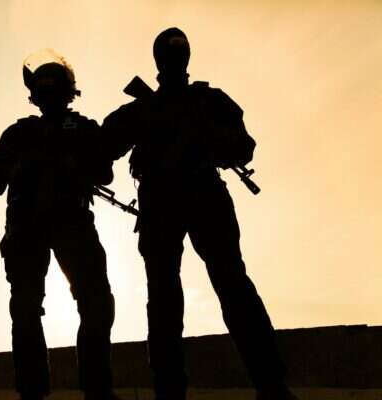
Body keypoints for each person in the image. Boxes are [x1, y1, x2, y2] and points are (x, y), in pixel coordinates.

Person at [101, 28, 298, 400]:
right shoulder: (146, 107)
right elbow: (103, 148)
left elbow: (243, 147)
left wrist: (208, 136)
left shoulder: (208, 101)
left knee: (229, 286)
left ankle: (270, 384)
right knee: (170, 296)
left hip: (200, 194)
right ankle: (176, 389)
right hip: (166, 200)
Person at [0, 49, 116, 400]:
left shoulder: (78, 129)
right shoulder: (19, 134)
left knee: (89, 303)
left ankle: (92, 389)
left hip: (65, 222)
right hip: (32, 227)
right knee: (29, 309)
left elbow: (103, 172)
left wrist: (71, 163)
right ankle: (57, 391)